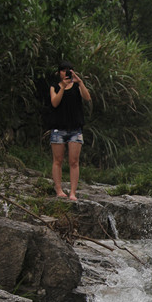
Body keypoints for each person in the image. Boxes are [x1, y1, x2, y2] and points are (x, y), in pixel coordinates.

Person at [49, 60, 91, 201]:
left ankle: (73, 192)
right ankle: (59, 189)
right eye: (63, 70)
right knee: (58, 160)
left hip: (75, 129)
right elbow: (55, 102)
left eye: (68, 70)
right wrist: (63, 87)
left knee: (74, 161)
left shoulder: (77, 86)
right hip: (58, 129)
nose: (65, 72)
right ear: (59, 72)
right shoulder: (54, 87)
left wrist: (80, 82)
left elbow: (87, 97)